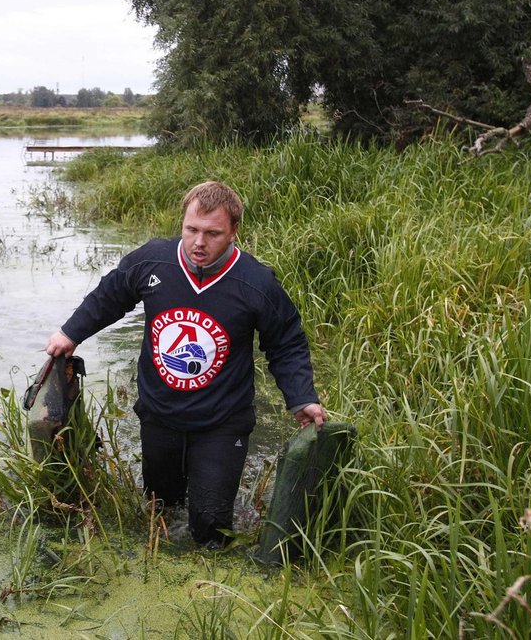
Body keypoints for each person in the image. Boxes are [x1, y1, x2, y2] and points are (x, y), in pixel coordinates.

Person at [45, 180, 325, 547]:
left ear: (233, 232)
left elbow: (286, 343)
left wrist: (301, 397)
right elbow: (110, 296)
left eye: (213, 233)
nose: (199, 242)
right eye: (191, 229)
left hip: (222, 422)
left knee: (210, 528)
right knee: (161, 510)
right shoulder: (153, 261)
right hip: (159, 414)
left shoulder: (256, 284)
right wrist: (70, 333)